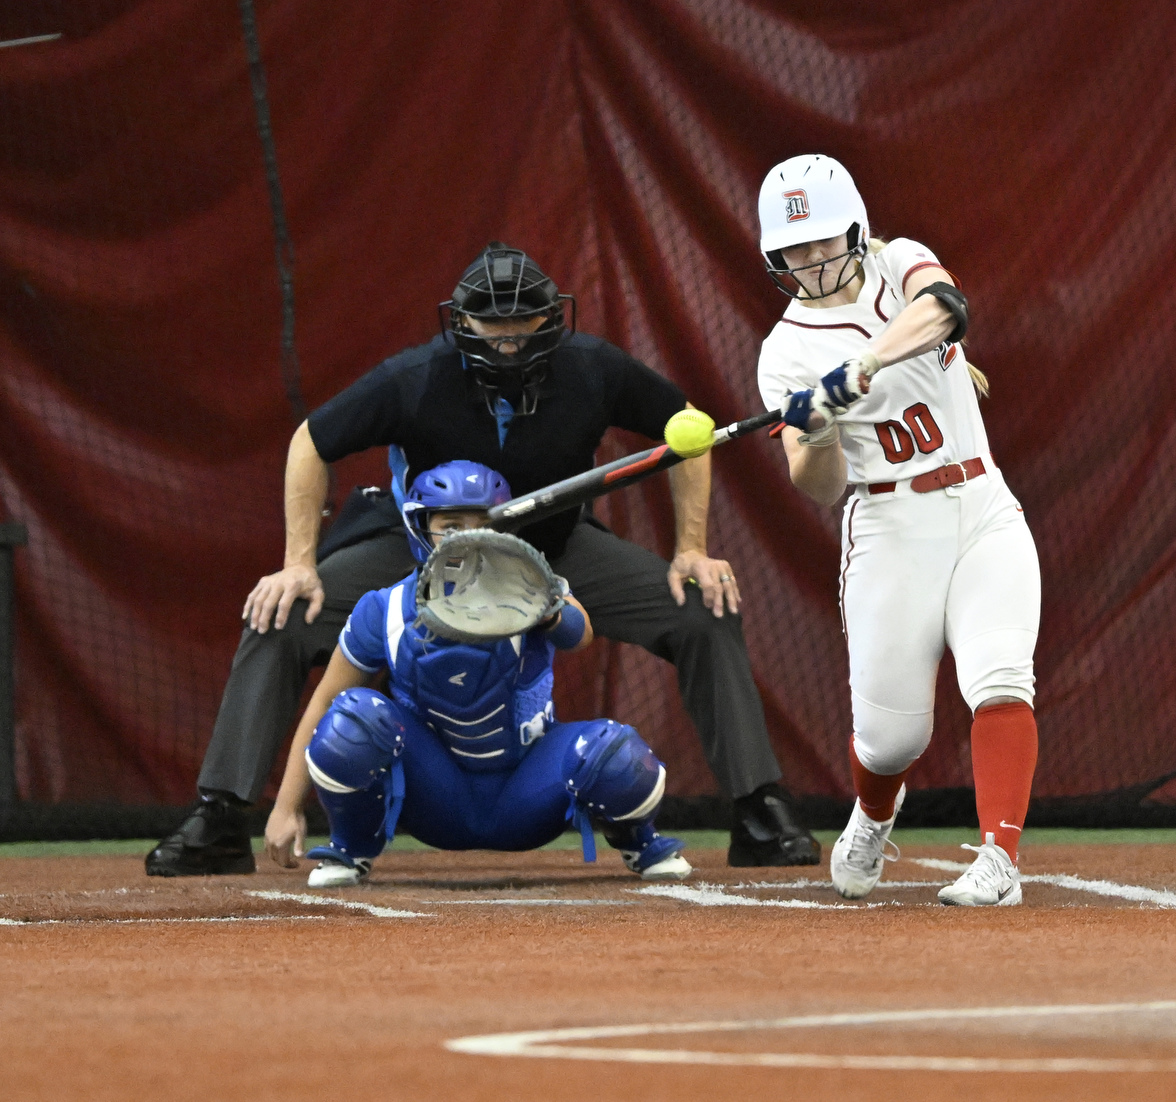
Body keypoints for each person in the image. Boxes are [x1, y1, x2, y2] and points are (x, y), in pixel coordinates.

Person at [148, 242, 818, 877]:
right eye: (490, 321)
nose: (509, 335)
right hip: (419, 549)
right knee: (283, 613)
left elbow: (686, 432)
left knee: (702, 605)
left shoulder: (593, 368)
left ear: (554, 317)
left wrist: (690, 550)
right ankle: (223, 816)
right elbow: (310, 441)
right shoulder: (414, 378)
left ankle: (759, 807)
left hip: (551, 548)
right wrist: (299, 561)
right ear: (458, 320)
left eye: (526, 319)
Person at [753, 154, 1041, 905]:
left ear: (853, 229)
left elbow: (946, 308)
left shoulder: (900, 262)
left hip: (981, 503)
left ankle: (1000, 859)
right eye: (793, 250)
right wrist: (815, 429)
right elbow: (820, 486)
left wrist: (862, 364)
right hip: (889, 523)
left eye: (821, 241)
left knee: (1000, 673)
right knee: (893, 741)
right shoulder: (784, 355)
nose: (810, 260)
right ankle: (875, 814)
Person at [264, 460, 690, 885]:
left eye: (482, 524)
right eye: (450, 524)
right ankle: (350, 849)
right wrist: (287, 806)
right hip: (434, 798)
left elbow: (580, 634)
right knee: (352, 718)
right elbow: (323, 700)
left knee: (614, 750)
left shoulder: (533, 587)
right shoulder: (385, 608)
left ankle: (640, 842)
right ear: (419, 527)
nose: (466, 537)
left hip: (528, 794)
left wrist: (549, 610)